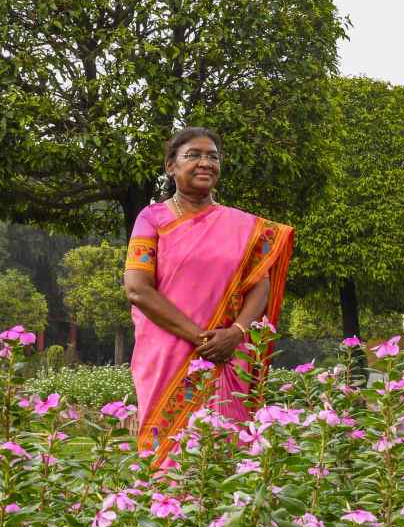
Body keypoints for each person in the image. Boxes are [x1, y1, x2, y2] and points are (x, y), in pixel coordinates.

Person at [124, 127, 294, 464]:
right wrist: (204, 340)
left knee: (226, 455)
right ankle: (165, 515)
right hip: (169, 354)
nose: (205, 163)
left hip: (228, 355)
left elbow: (259, 284)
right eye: (194, 155)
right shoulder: (152, 218)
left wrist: (236, 333)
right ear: (171, 166)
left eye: (213, 156)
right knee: (166, 457)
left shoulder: (245, 227)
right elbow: (137, 288)